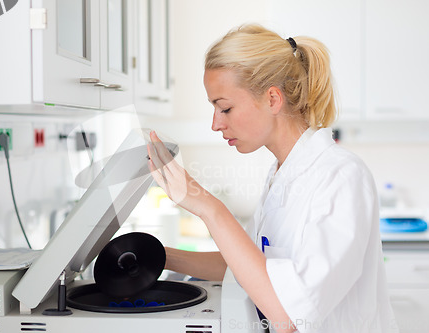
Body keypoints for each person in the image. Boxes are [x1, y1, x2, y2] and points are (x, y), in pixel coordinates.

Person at [147, 24, 397, 333]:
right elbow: (249, 266)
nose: (215, 123)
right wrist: (158, 255)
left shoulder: (339, 176)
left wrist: (207, 206)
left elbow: (288, 316)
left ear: (272, 99)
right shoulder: (282, 173)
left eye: (224, 108)